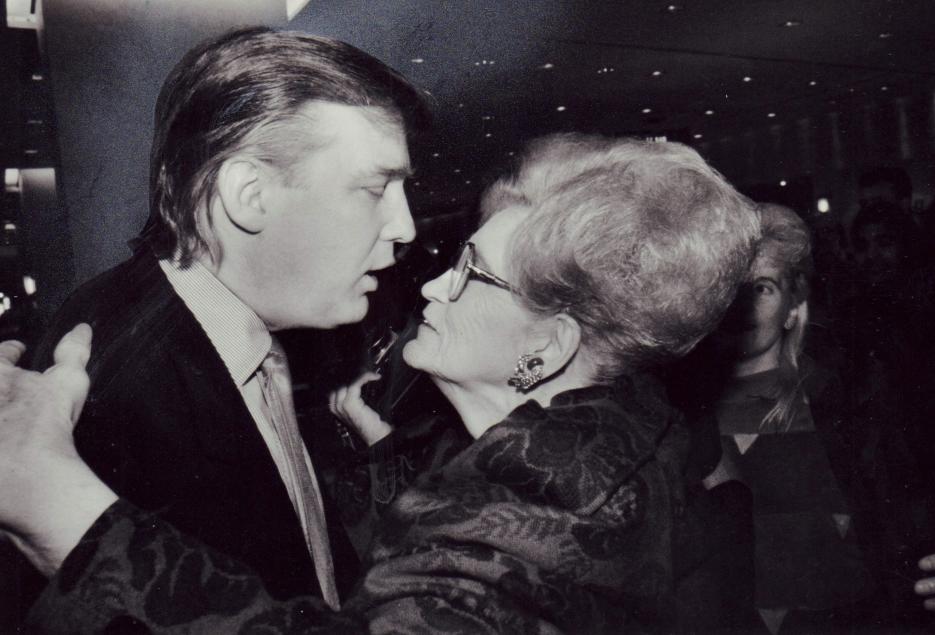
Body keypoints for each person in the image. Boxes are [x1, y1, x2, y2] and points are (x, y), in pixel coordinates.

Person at [1, 133, 759, 633]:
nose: (432, 286)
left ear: (546, 347)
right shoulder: (606, 423)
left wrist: (59, 503)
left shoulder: (563, 501)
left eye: (472, 274)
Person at [26, 26, 427, 606]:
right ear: (248, 193)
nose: (405, 228)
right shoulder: (124, 385)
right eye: (374, 189)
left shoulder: (237, 331)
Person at [697, 203, 875, 633]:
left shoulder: (839, 400)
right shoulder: (679, 411)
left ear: (793, 308)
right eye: (731, 290)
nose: (742, 306)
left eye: (761, 289)